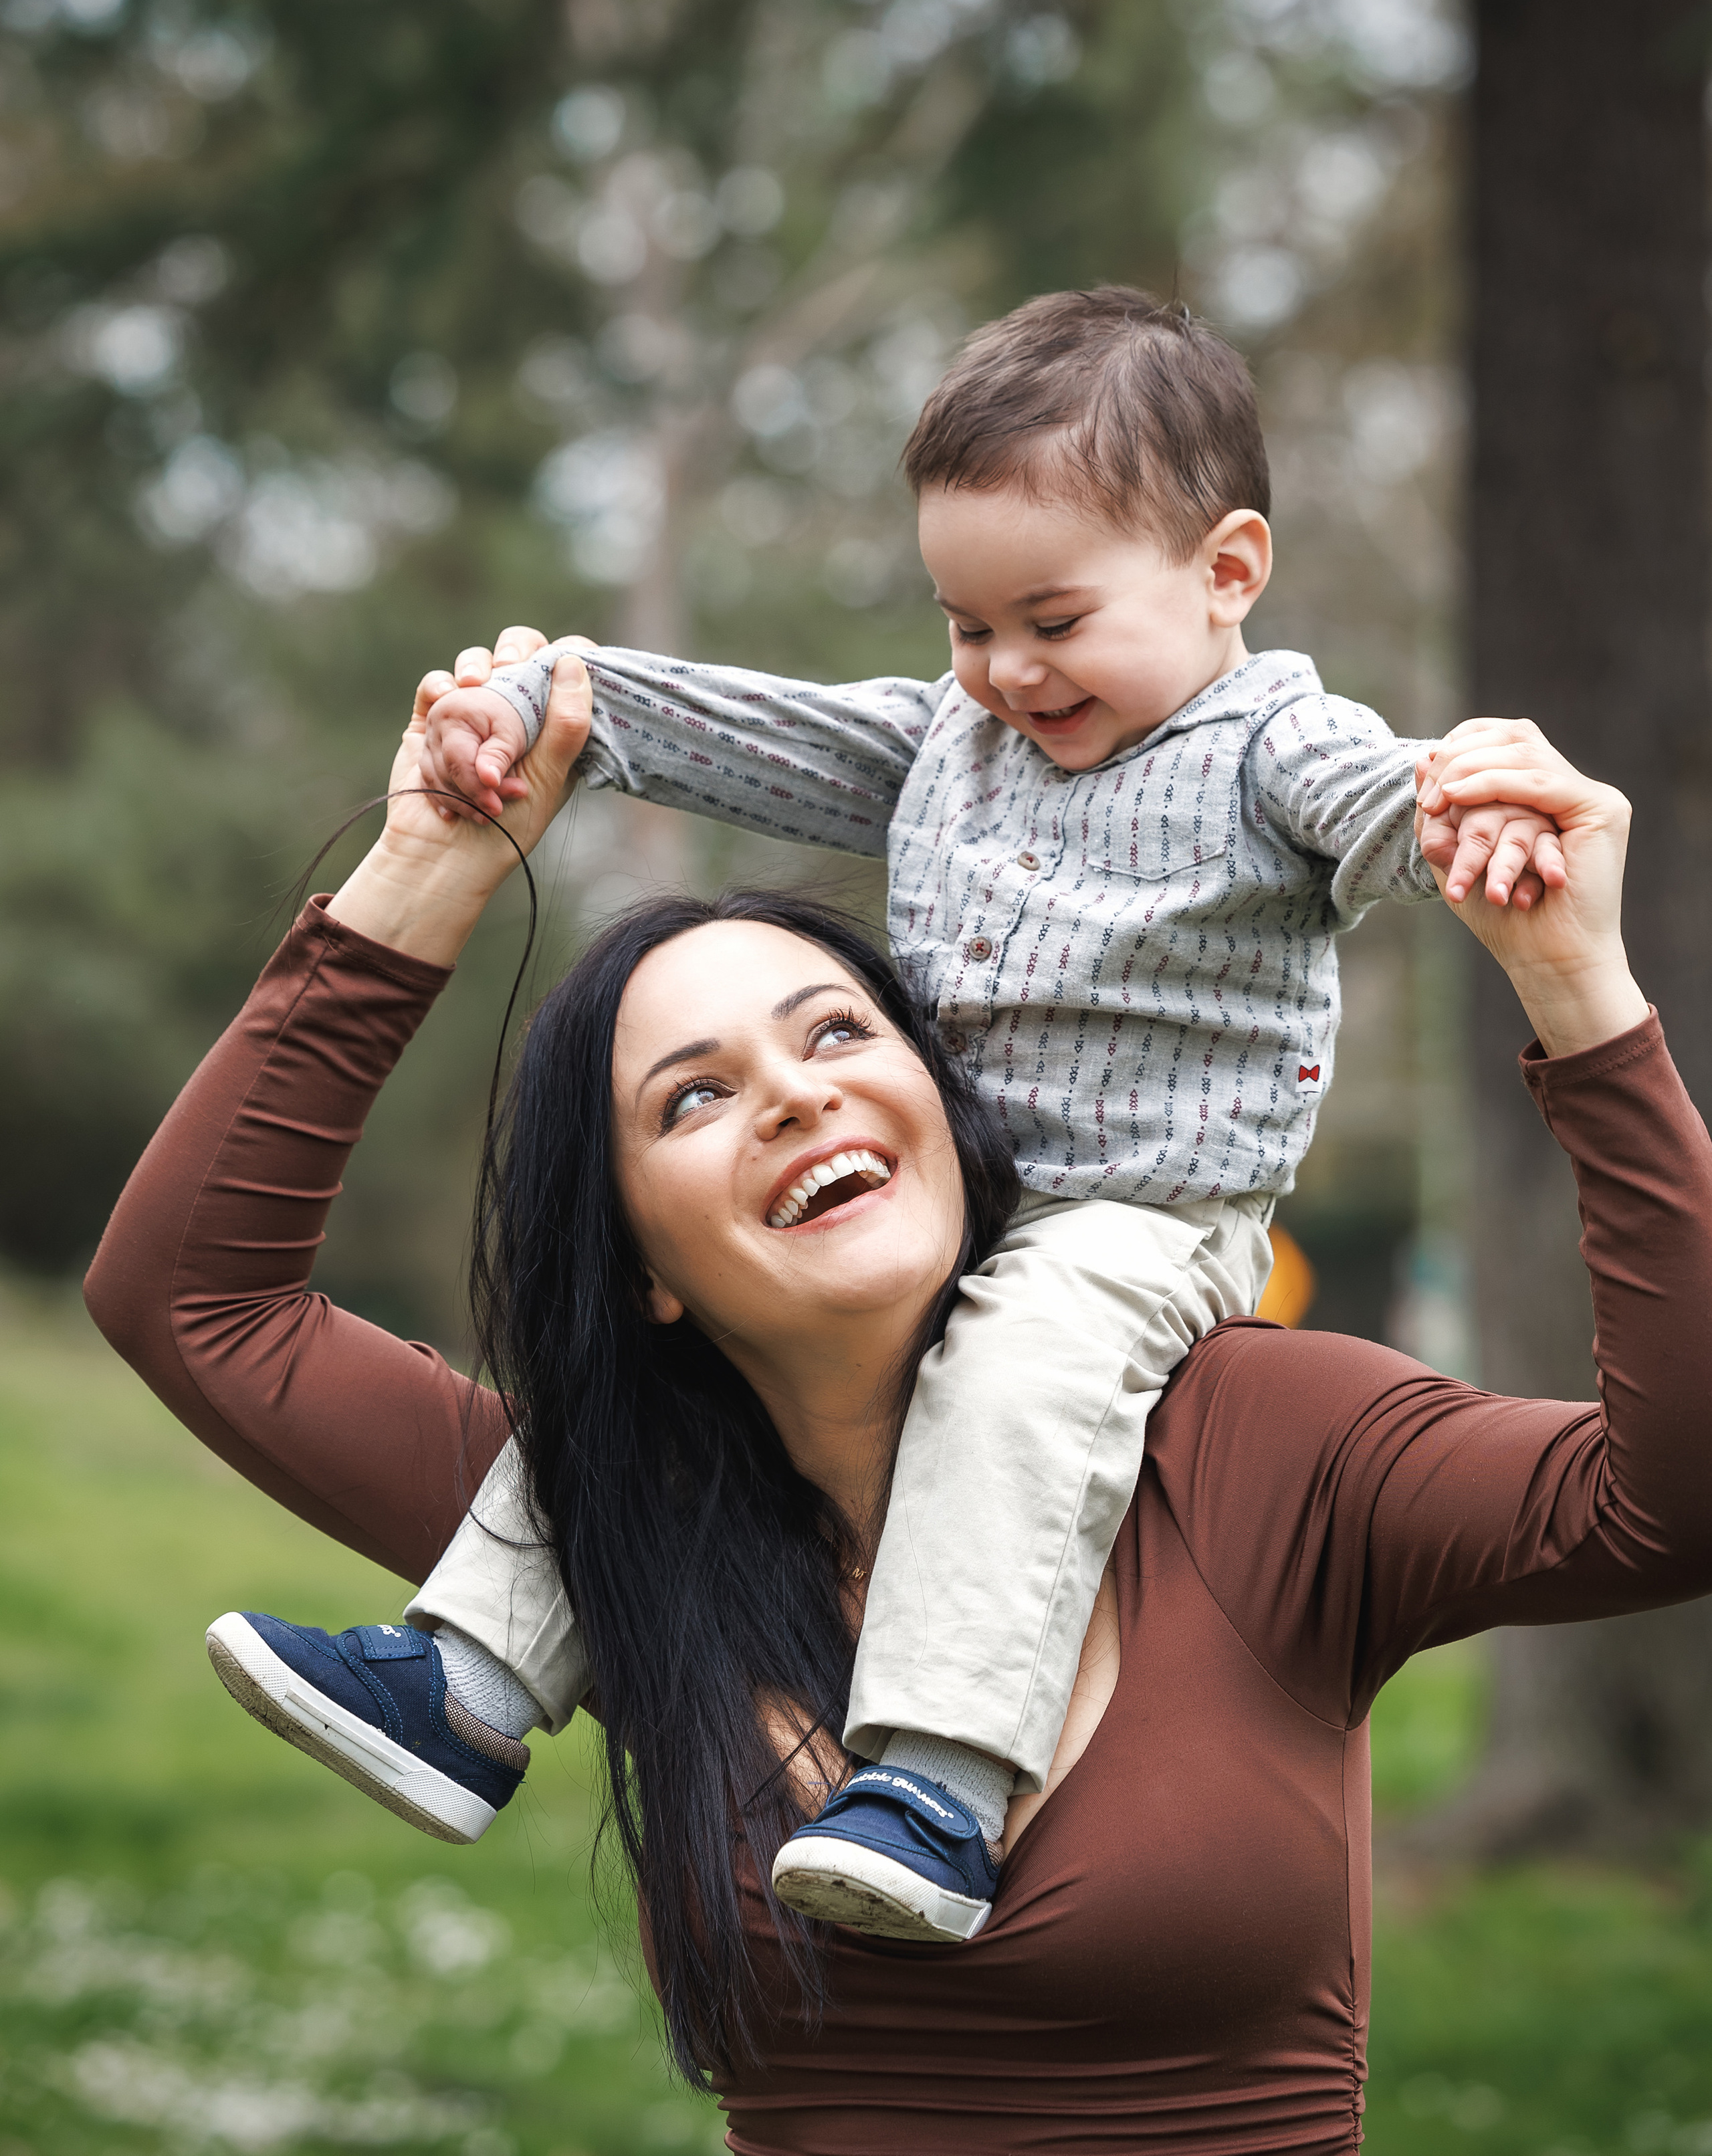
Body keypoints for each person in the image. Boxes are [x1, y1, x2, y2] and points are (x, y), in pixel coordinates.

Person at [85, 668, 1712, 2149]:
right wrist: (433, 864)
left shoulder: (1258, 1442)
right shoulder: (590, 1520)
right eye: (695, 1094)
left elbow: (1673, 1495)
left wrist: (1579, 995)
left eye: (839, 1032)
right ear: (644, 1257)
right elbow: (188, 1297)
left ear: (941, 1106)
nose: (794, 1090)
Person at [201, 288, 1568, 1946]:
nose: (1003, 669)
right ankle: (470, 1678)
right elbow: (738, 728)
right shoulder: (956, 739)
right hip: (957, 1187)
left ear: (1225, 571)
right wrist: (550, 699)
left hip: (1139, 1219)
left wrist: (1467, 810)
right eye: (964, 623)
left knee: (1011, 1371)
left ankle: (932, 1778)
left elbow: (1378, 802)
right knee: (671, 1364)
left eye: (1049, 618)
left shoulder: (1266, 742)